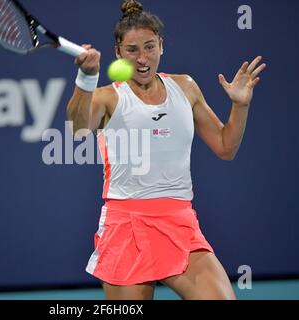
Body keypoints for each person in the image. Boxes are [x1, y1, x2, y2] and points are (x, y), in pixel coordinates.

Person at [66, 0, 266, 300]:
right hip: (126, 227)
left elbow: (226, 147)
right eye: (132, 50)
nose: (142, 58)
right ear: (118, 53)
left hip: (180, 224)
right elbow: (77, 128)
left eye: (149, 47)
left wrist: (240, 105)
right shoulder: (107, 97)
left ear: (161, 45)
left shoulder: (185, 87)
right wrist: (86, 79)